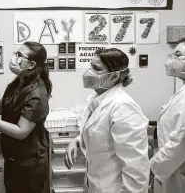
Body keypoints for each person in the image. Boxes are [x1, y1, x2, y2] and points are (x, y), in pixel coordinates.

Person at [0, 41, 52, 193]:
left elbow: (21, 132)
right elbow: (0, 108)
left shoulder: (37, 94)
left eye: (19, 55)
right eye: (16, 53)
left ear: (31, 64)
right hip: (13, 158)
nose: (14, 57)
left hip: (30, 164)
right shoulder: (17, 83)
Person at [64, 48, 150, 193]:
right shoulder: (96, 99)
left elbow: (136, 169)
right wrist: (77, 140)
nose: (89, 72)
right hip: (96, 184)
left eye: (96, 69)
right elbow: (102, 133)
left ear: (114, 76)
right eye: (91, 66)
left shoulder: (123, 106)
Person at [150, 37, 185, 193]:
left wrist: (154, 166)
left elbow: (181, 140)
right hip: (173, 168)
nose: (171, 60)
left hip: (177, 170)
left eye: (177, 55)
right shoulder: (181, 93)